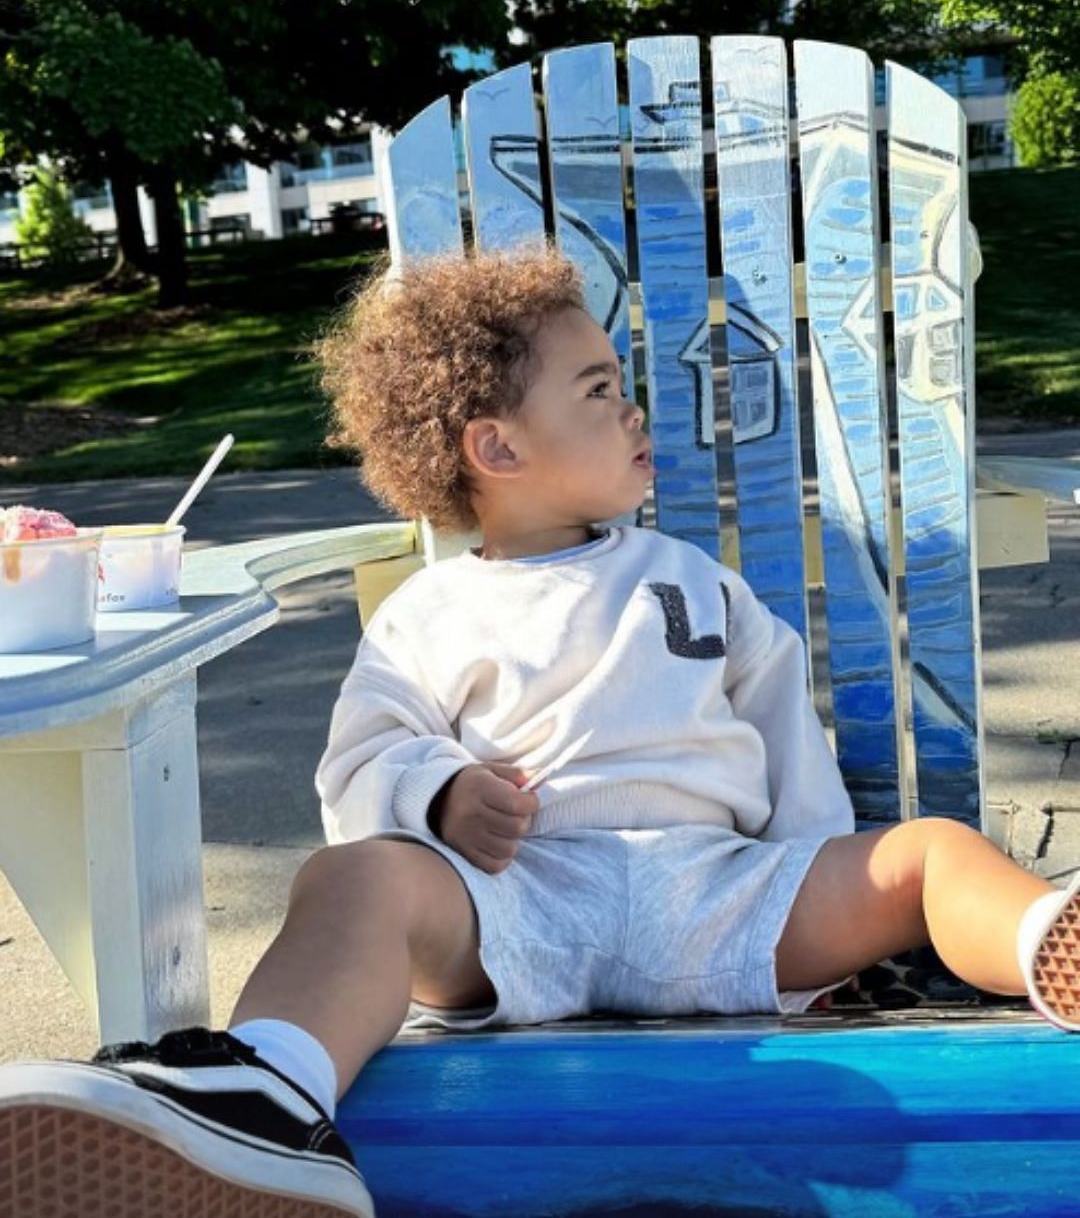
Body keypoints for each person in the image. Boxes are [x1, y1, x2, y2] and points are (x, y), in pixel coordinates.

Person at [1, 243, 1078, 1218]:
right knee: (349, 880)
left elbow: (778, 710)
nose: (636, 410)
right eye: (601, 390)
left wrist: (813, 868)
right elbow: (357, 767)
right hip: (517, 902)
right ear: (497, 445)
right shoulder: (430, 611)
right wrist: (437, 790)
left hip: (716, 893)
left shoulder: (691, 576)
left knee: (928, 854)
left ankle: (1047, 943)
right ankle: (263, 1099)